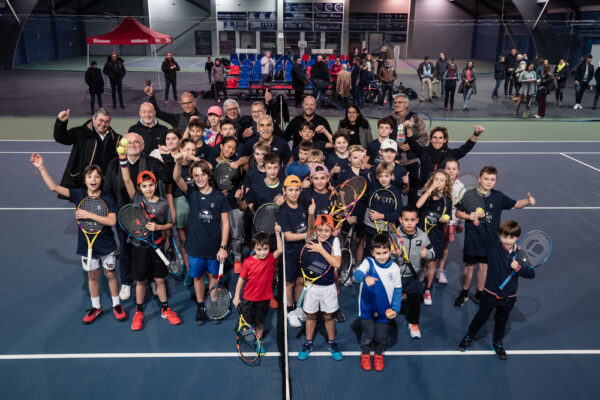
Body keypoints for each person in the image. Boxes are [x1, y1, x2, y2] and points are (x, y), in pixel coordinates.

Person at [30, 154, 125, 324]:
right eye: (90, 177)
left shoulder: (108, 197)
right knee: (92, 275)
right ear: (85, 180)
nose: (93, 179)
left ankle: (117, 304)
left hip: (107, 244)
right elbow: (54, 188)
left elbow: (111, 221)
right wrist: (41, 167)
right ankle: (96, 307)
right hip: (86, 245)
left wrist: (88, 214)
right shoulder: (78, 194)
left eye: (96, 176)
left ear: (101, 179)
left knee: (110, 273)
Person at [454, 166, 535, 307]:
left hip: (490, 241)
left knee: (484, 267)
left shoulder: (498, 197)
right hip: (472, 239)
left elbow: (516, 204)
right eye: (486, 179)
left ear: (495, 181)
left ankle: (479, 292)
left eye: (492, 179)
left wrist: (528, 201)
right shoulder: (469, 195)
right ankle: (464, 292)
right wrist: (469, 215)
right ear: (479, 179)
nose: (489, 182)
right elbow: (458, 213)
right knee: (469, 267)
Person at [103, 132, 170, 300]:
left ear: (142, 146)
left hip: (148, 217)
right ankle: (126, 281)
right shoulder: (114, 163)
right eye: (129, 142)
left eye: (136, 142)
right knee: (125, 250)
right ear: (124, 146)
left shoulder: (153, 163)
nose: (132, 145)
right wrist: (113, 212)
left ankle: (153, 280)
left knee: (148, 251)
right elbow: (108, 189)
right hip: (123, 216)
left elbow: (168, 178)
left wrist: (169, 158)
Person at [458, 220, 535, 360]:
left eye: (511, 237)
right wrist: (476, 223)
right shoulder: (493, 247)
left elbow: (531, 273)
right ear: (499, 235)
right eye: (504, 236)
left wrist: (518, 268)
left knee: (502, 320)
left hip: (509, 296)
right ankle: (469, 336)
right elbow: (483, 235)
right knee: (481, 317)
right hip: (490, 293)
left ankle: (497, 343)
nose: (507, 240)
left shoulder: (521, 254)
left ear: (518, 237)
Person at [118, 164, 181, 331]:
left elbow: (169, 224)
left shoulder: (163, 204)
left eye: (151, 185)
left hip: (157, 247)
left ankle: (165, 309)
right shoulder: (137, 200)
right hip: (139, 247)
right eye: (144, 186)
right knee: (141, 281)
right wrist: (123, 159)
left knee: (159, 279)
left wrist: (158, 228)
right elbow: (126, 179)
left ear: (155, 185)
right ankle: (139, 312)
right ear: (139, 188)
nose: (148, 188)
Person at [173, 157, 230, 325]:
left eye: (202, 174)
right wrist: (177, 162)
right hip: (195, 247)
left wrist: (223, 247)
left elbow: (226, 223)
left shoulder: (220, 197)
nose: (199, 178)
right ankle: (200, 306)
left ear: (208, 176)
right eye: (195, 175)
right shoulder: (192, 193)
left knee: (213, 277)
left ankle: (212, 305)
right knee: (197, 277)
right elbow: (177, 178)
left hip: (214, 248)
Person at [296, 214, 343, 361]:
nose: (323, 233)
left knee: (328, 316)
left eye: (326, 230)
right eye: (320, 230)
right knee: (311, 316)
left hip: (328, 287)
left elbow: (337, 264)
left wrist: (321, 249)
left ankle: (332, 342)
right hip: (313, 287)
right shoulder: (310, 240)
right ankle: (308, 343)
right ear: (316, 229)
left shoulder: (334, 242)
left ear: (332, 231)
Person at [353, 234, 402, 371]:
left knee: (381, 336)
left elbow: (398, 290)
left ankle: (379, 354)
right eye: (378, 253)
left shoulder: (395, 269)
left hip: (384, 309)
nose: (382, 256)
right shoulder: (369, 262)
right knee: (367, 335)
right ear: (372, 252)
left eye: (385, 252)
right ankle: (366, 353)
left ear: (390, 251)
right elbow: (357, 273)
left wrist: (396, 308)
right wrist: (365, 277)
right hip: (367, 306)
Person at [233, 227, 284, 354]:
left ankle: (258, 340)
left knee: (261, 322)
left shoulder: (271, 258)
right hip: (249, 298)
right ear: (254, 249)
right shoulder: (248, 262)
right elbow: (241, 280)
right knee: (247, 321)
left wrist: (277, 233)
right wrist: (236, 296)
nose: (263, 253)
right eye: (259, 249)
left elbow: (281, 250)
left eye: (266, 249)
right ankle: (249, 328)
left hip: (264, 298)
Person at [389, 205, 434, 339]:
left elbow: (432, 253)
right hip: (395, 276)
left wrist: (428, 254)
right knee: (386, 301)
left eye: (412, 220)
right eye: (406, 219)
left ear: (417, 220)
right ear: (400, 220)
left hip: (412, 276)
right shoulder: (394, 235)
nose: (409, 222)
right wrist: (394, 255)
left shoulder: (423, 236)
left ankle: (413, 323)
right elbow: (386, 257)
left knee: (415, 300)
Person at [53, 107, 121, 191]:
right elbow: (61, 138)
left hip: (105, 184)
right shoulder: (79, 132)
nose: (103, 124)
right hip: (82, 183)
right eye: (101, 120)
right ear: (93, 118)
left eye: (106, 122)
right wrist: (61, 122)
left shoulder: (117, 138)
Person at [405, 124, 484, 188]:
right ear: (431, 139)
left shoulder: (450, 154)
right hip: (424, 190)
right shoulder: (423, 152)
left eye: (440, 138)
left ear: (445, 140)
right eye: (435, 137)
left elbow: (465, 148)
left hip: (443, 191)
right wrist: (409, 128)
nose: (437, 140)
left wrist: (476, 134)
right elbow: (412, 143)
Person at [415, 170, 452, 305]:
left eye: (442, 180)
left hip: (436, 236)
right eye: (436, 179)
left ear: (445, 184)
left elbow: (448, 218)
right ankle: (420, 273)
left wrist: (445, 219)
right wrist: (430, 189)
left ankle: (427, 289)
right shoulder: (427, 195)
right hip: (420, 233)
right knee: (418, 259)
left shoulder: (447, 201)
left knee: (432, 263)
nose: (438, 182)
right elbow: (418, 205)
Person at [386, 94, 428, 205]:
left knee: (413, 194)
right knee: (393, 193)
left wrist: (412, 144)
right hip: (395, 163)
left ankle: (412, 218)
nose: (396, 105)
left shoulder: (415, 118)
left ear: (406, 104)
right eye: (395, 102)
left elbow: (425, 137)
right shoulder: (389, 120)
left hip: (412, 162)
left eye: (399, 102)